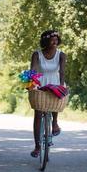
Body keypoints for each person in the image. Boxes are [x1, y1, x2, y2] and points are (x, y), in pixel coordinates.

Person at [30, 30, 66, 158]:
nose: (55, 42)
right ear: (46, 41)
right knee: (38, 114)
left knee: (56, 100)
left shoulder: (61, 55)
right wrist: (32, 84)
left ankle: (55, 122)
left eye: (57, 39)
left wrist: (61, 85)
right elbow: (33, 70)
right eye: (52, 39)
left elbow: (62, 71)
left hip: (55, 82)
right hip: (40, 83)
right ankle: (37, 146)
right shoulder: (36, 54)